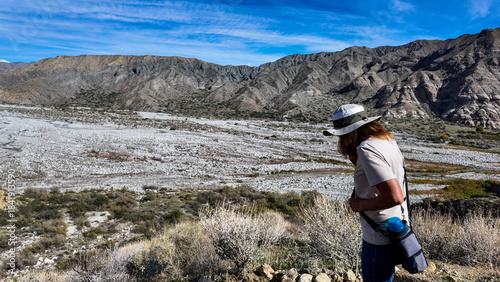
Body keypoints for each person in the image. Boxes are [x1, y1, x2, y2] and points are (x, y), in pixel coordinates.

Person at [323, 104, 408, 282]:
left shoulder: (366, 149)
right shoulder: (387, 141)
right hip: (395, 226)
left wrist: (360, 205)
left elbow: (395, 196)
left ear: (349, 133)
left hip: (378, 236)